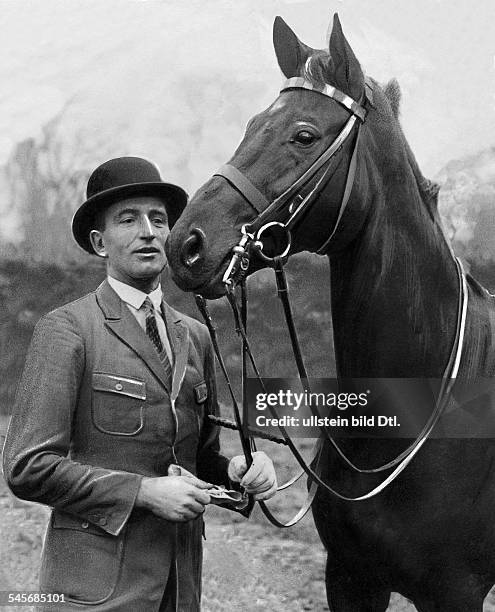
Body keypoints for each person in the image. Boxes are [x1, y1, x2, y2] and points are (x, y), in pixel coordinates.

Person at [3, 156, 277, 611]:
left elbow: (199, 455)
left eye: (158, 219)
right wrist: (144, 492)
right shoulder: (68, 329)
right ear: (99, 243)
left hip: (180, 586)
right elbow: (27, 467)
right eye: (128, 219)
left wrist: (237, 473)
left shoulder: (195, 335)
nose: (148, 231)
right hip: (96, 592)